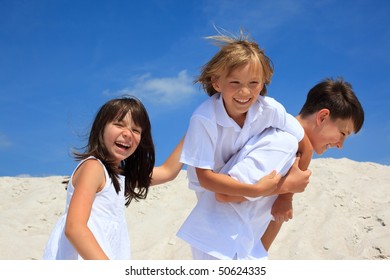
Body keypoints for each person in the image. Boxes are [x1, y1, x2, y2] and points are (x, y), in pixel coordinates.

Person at [177, 77, 365, 259]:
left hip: (236, 248)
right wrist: (285, 187)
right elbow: (225, 194)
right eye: (342, 133)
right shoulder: (283, 143)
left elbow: (275, 216)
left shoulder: (293, 152)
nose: (340, 144)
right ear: (322, 117)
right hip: (222, 245)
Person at [176, 29, 312, 259]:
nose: (245, 91)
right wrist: (255, 190)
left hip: (248, 183)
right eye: (235, 82)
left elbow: (304, 146)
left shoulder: (269, 109)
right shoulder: (204, 118)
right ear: (217, 83)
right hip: (214, 193)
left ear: (263, 83)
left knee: (286, 139)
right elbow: (206, 178)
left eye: (253, 83)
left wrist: (285, 196)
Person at [43, 96, 155, 260]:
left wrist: (196, 130)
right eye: (119, 124)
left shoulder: (120, 175)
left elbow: (168, 171)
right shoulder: (93, 167)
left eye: (136, 130)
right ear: (100, 128)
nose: (127, 133)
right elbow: (74, 228)